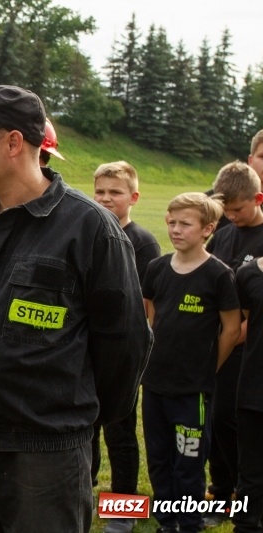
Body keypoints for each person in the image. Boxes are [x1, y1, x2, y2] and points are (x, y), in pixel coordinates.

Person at [0, 85, 151, 532]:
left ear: (14, 143)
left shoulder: (90, 229)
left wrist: (74, 422)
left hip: (46, 452)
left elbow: (124, 344)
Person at [142, 192, 241, 533]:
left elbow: (231, 329)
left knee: (188, 462)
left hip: (192, 391)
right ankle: (167, 521)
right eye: (172, 222)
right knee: (159, 457)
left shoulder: (219, 275)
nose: (175, 229)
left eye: (185, 224)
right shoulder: (156, 268)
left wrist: (209, 368)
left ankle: (189, 522)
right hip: (155, 384)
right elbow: (151, 316)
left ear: (208, 229)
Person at [91, 161, 161, 533]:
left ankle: (123, 509)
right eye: (100, 191)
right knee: (83, 430)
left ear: (133, 197)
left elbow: (148, 306)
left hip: (121, 355)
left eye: (115, 193)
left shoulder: (143, 242)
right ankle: (80, 492)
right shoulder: (87, 230)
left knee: (119, 434)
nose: (106, 199)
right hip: (85, 351)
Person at [203, 160, 263, 527]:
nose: (231, 216)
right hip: (219, 344)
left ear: (258, 199)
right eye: (226, 210)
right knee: (216, 419)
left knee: (234, 420)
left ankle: (246, 491)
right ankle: (221, 490)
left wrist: (226, 342)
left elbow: (250, 314)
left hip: (246, 350)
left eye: (238, 209)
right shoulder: (224, 234)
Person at [233, 248, 263, 532]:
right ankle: (246, 524)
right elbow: (246, 323)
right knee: (251, 467)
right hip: (255, 385)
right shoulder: (248, 274)